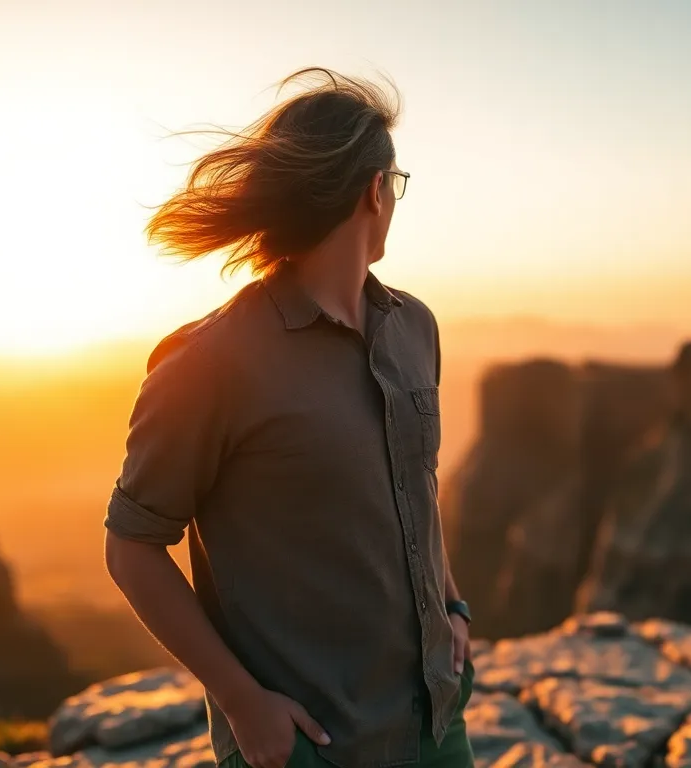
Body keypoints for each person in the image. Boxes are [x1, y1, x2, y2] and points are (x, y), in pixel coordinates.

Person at [102, 67, 474, 768]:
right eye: (395, 184)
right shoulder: (208, 362)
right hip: (311, 748)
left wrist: (453, 609)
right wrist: (242, 702)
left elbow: (414, 489)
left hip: (437, 721)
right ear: (374, 191)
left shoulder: (414, 328)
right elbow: (131, 547)